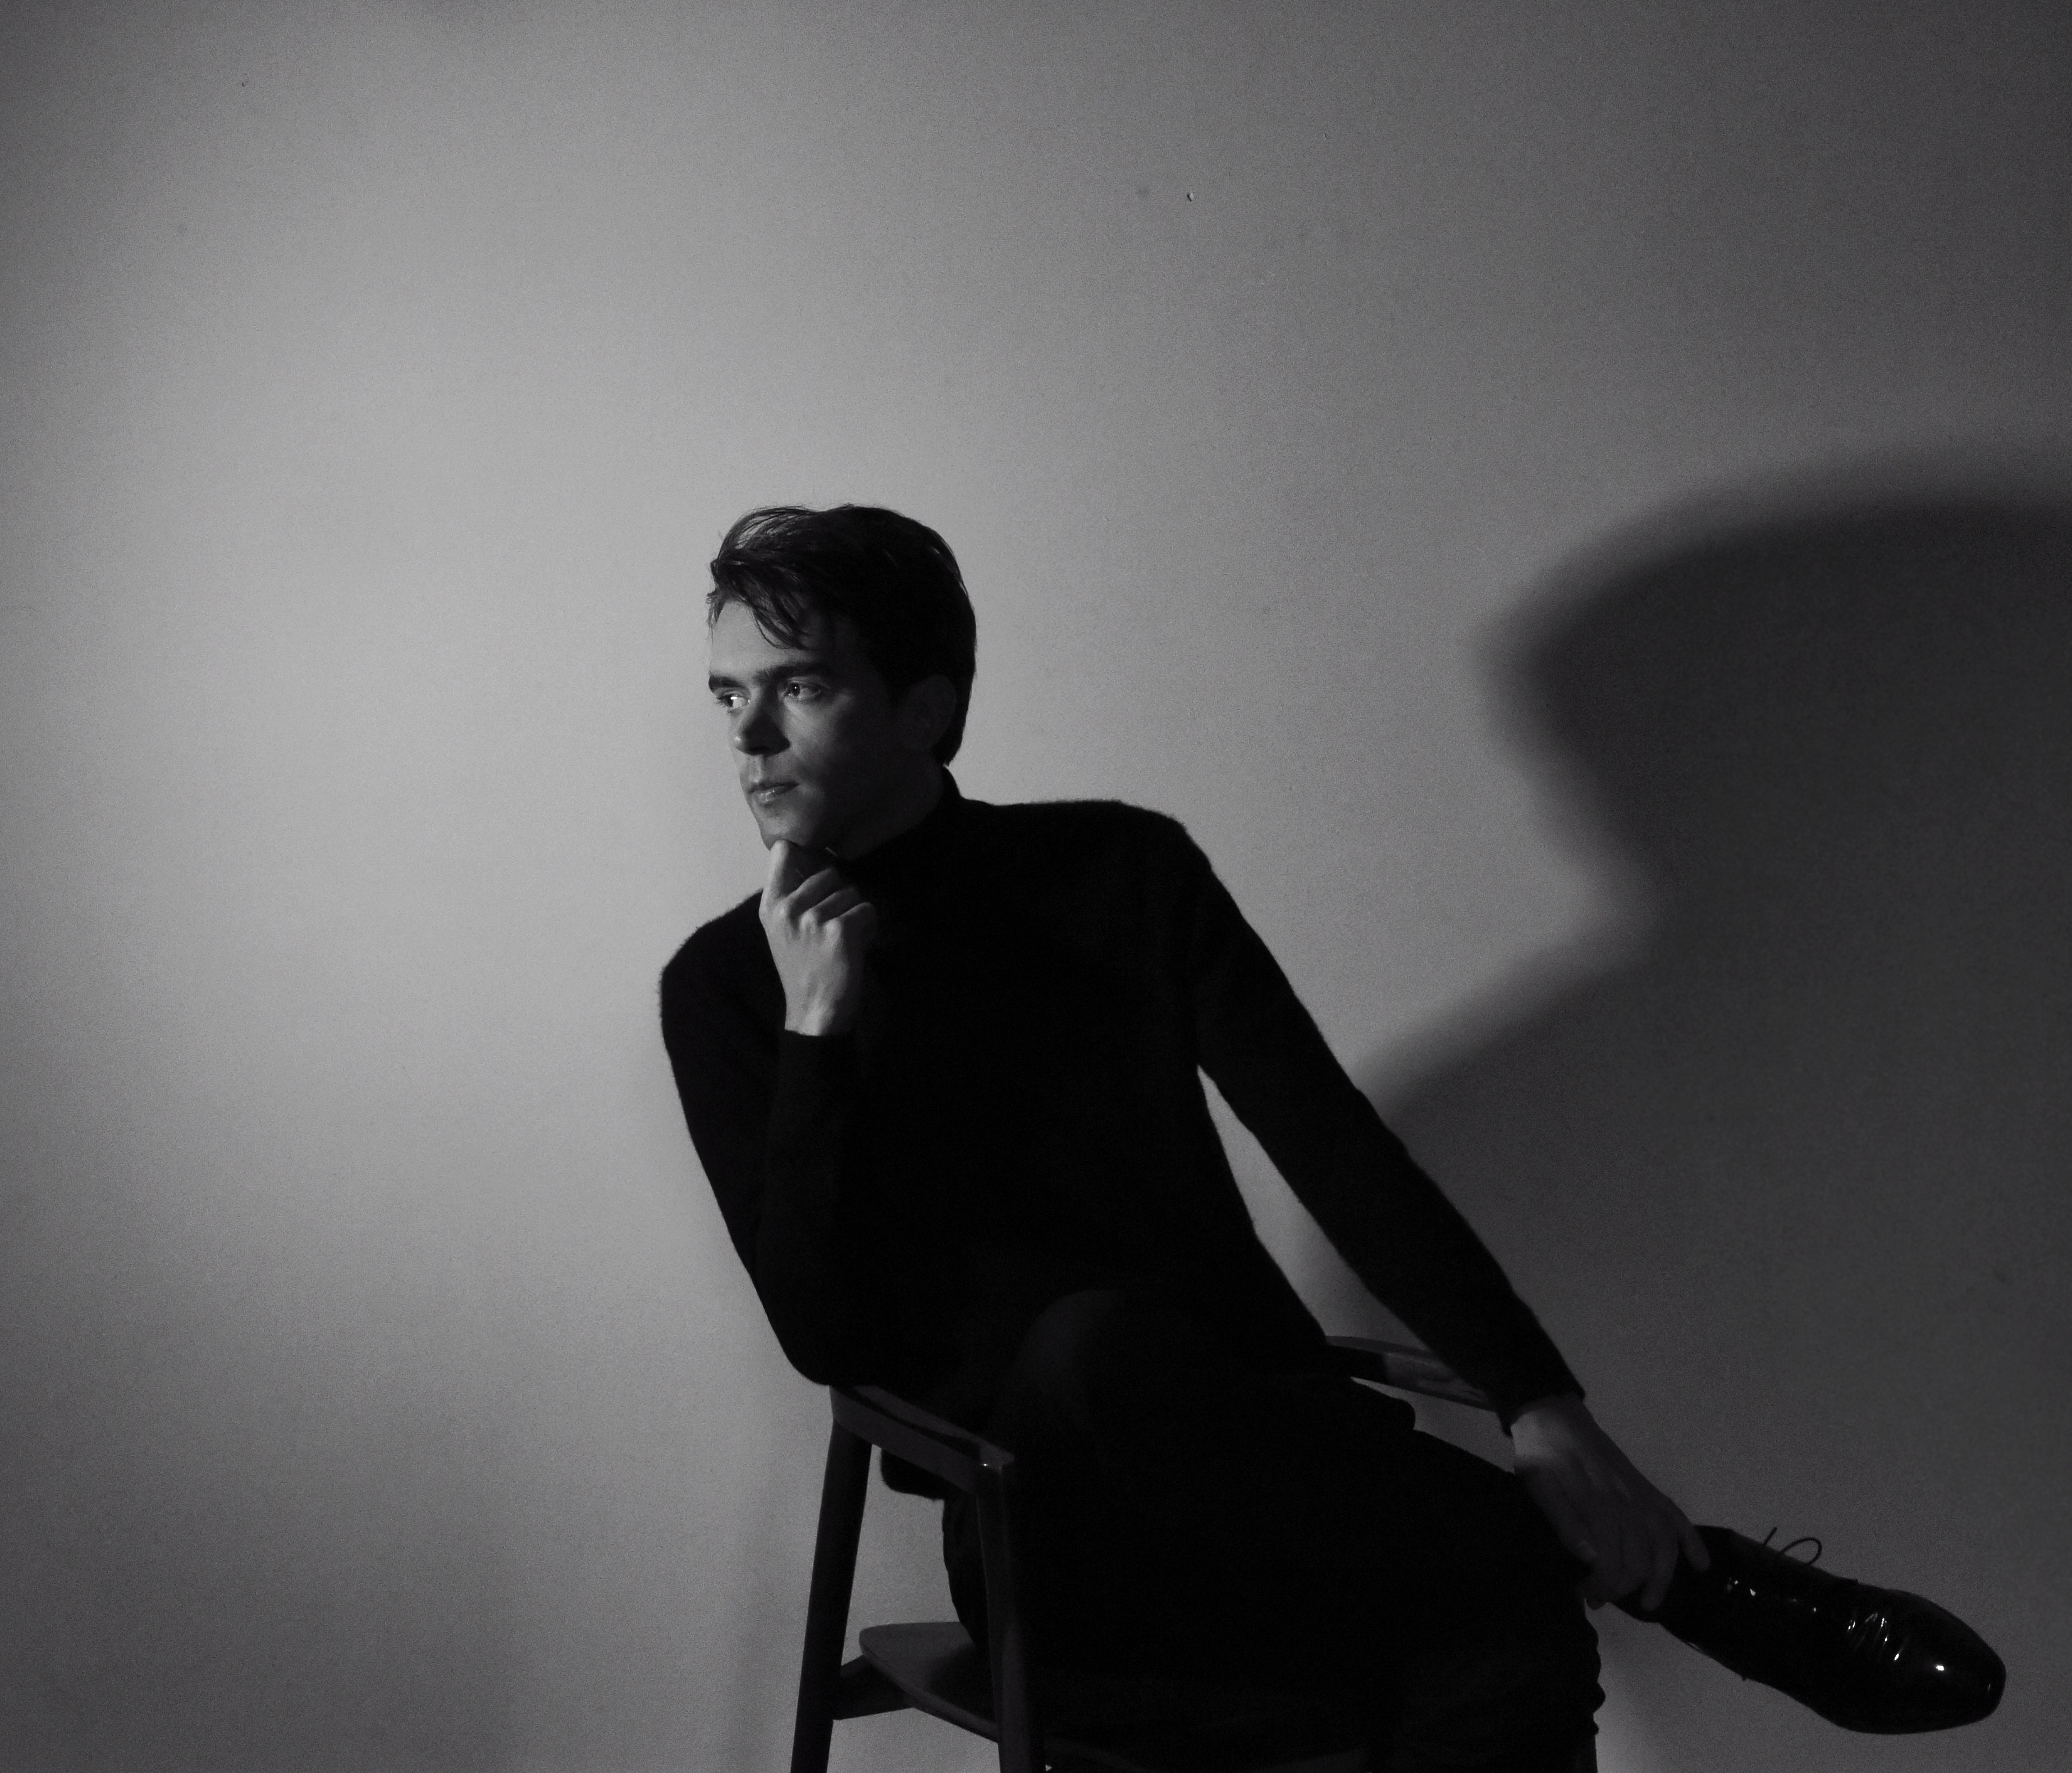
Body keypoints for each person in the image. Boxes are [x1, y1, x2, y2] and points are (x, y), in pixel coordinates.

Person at [657, 504, 1998, 1773]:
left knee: (1504, 1634)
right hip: (1051, 1546)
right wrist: (817, 1032)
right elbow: (824, 1335)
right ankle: (1697, 1581)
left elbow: (1335, 1147)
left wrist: (1539, 1401)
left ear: (924, 707)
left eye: (799, 686)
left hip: (1285, 1483)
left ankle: (1602, 1558)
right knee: (1091, 1347)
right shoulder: (726, 988)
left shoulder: (1124, 872)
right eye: (728, 695)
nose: (750, 736)